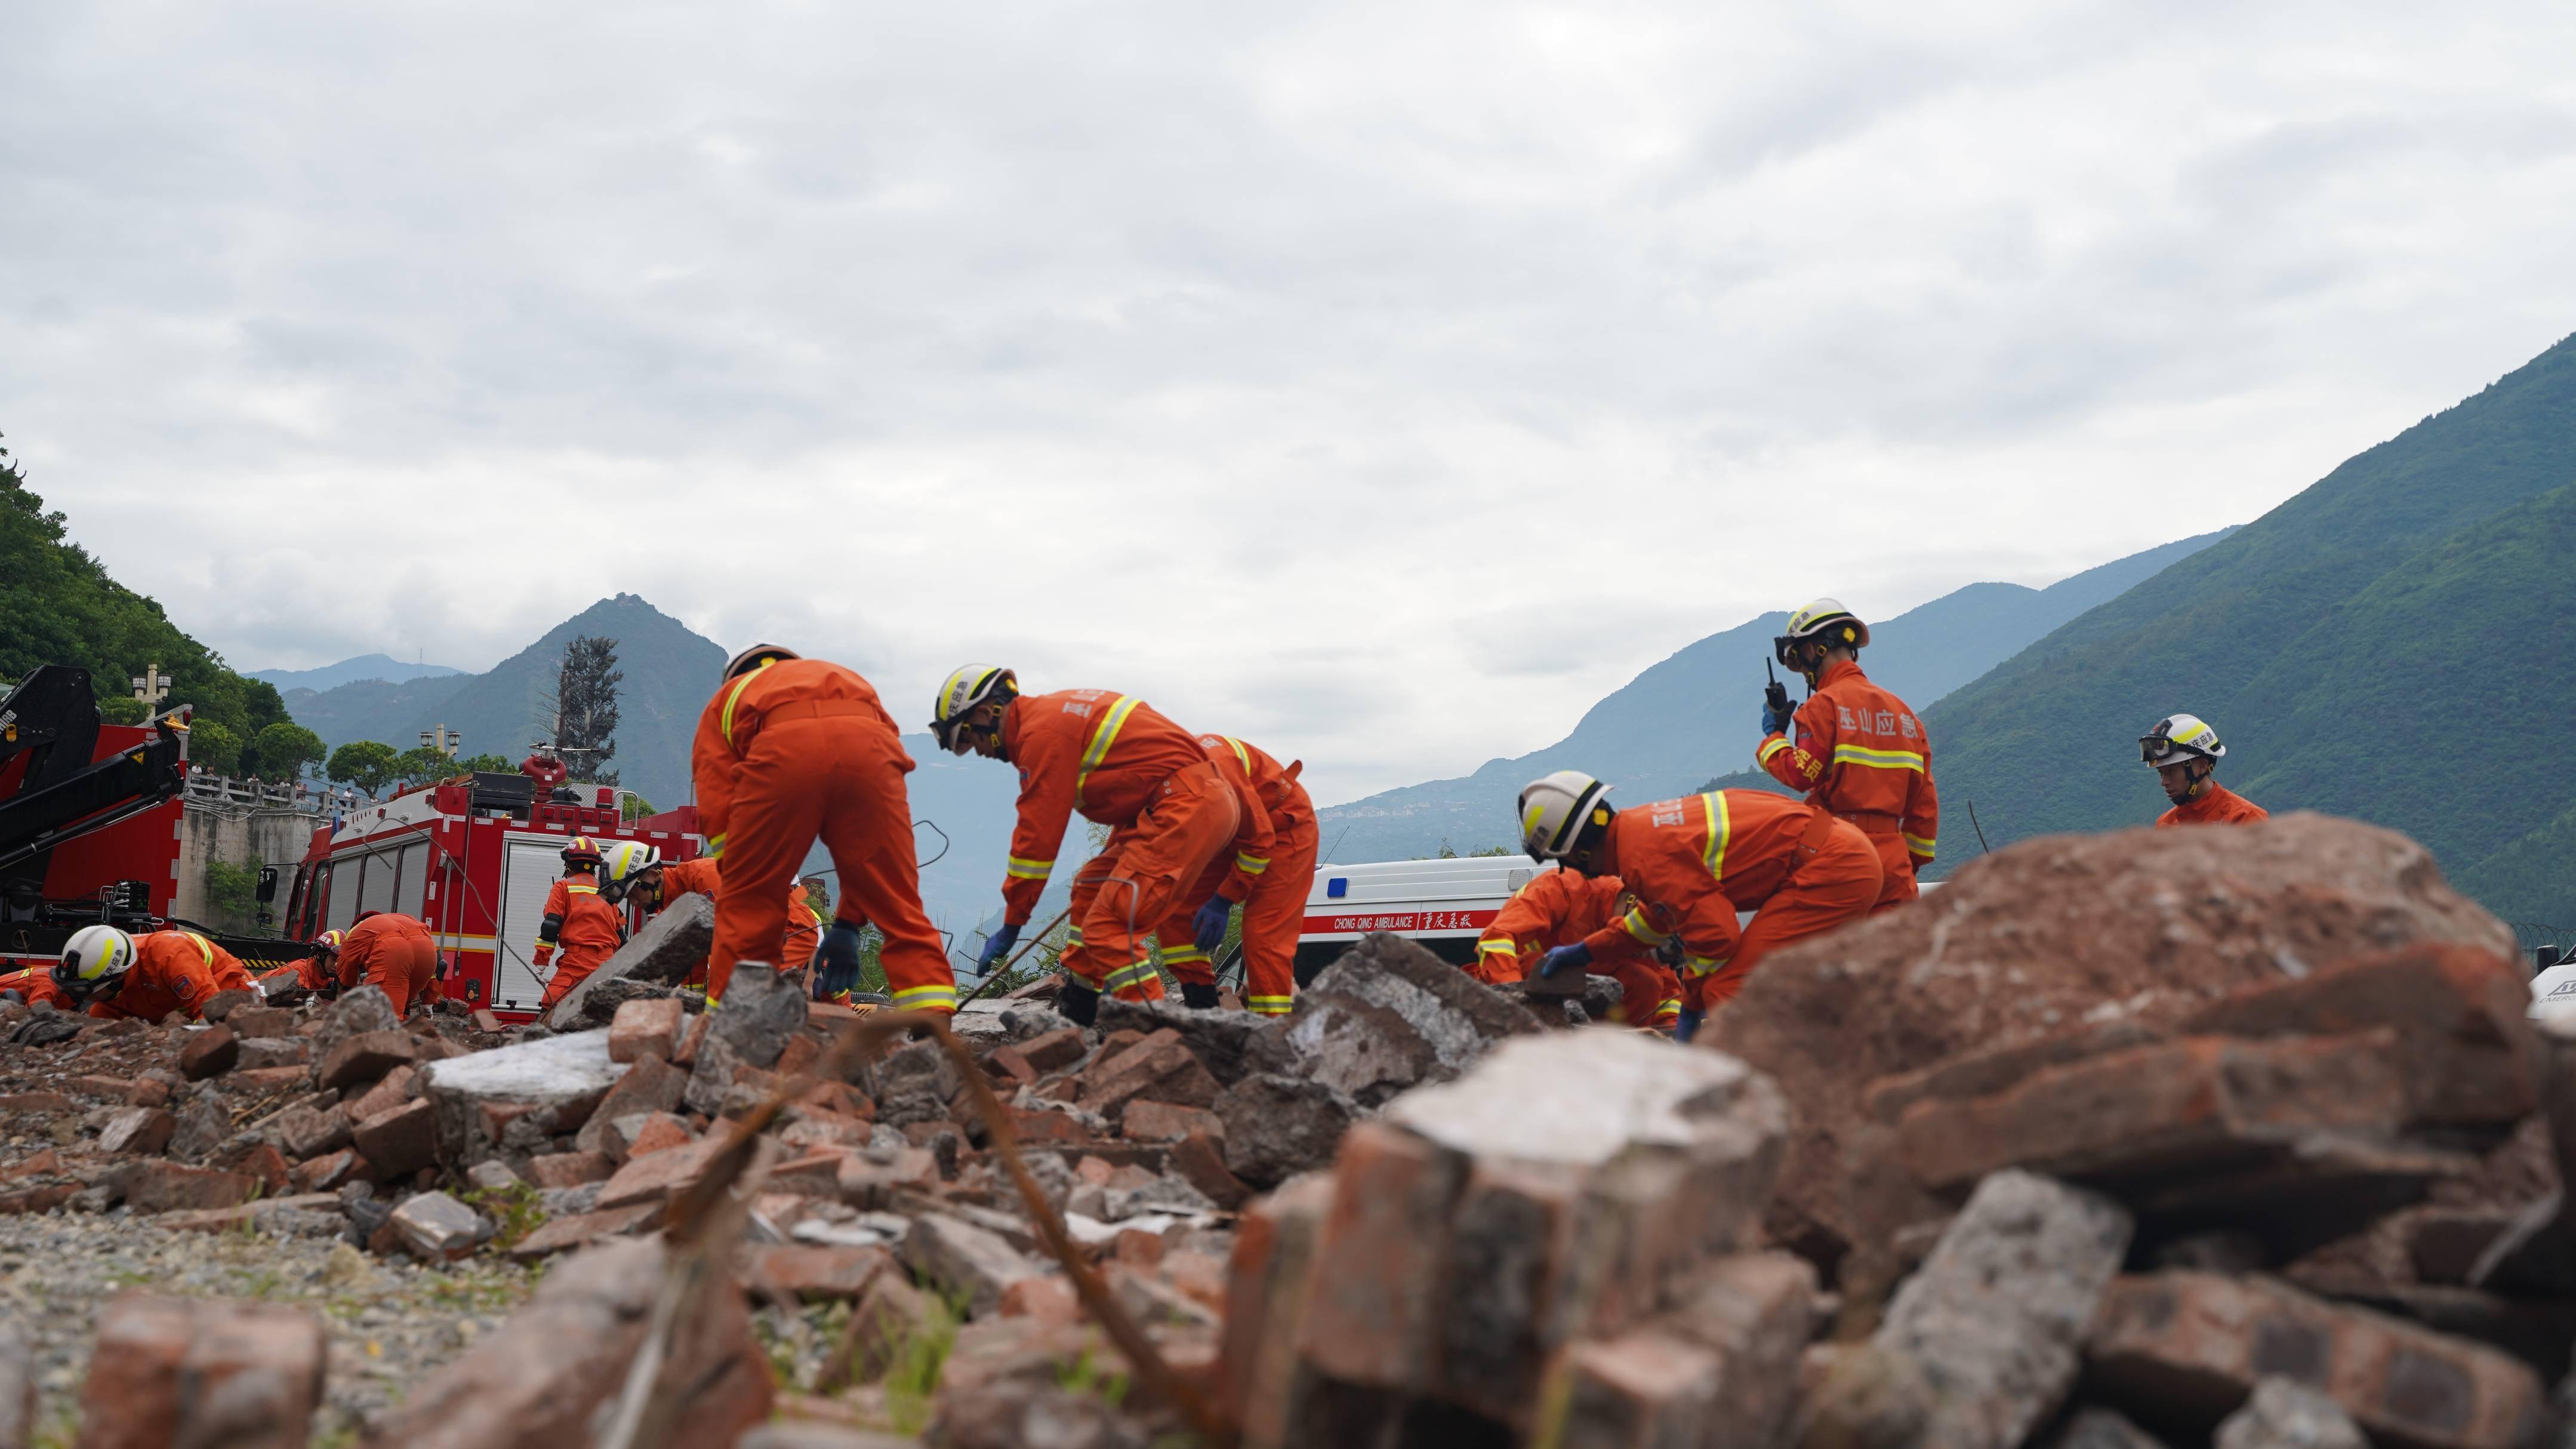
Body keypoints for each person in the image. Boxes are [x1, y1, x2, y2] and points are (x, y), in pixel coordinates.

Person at [932, 665, 1238, 1026]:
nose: (976, 752)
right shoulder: (1050, 717)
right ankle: (1081, 1003)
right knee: (1089, 888)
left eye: (968, 738)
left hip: (1184, 806)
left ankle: (1159, 1033)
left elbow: (1037, 840)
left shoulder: (1040, 735)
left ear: (986, 713)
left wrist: (1013, 922)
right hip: (1173, 804)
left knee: (1108, 928)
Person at [1517, 772, 1880, 1041]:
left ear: (1579, 852)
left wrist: (1691, 1003)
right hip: (1837, 854)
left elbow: (1718, 937)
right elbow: (1657, 920)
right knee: (1761, 986)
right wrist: (1584, 951)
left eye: (1562, 861)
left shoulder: (1643, 859)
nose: (1571, 872)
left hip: (1832, 868)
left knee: (1729, 990)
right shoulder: (1638, 835)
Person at [694, 645, 954, 1013]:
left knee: (748, 909)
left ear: (736, 676)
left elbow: (716, 800)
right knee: (900, 905)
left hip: (785, 750)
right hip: (873, 752)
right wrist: (848, 925)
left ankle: (723, 1034)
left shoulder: (729, 698)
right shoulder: (844, 678)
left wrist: (740, 873)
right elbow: (861, 855)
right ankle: (937, 1037)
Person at [1757, 599, 1938, 914]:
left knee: (1814, 954)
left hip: (1837, 853)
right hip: (1894, 864)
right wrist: (1903, 863)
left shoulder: (1823, 706)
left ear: (1814, 651)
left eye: (1802, 662)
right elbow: (1924, 810)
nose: (1806, 675)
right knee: (1897, 959)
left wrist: (1774, 736)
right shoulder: (1904, 714)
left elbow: (1801, 774)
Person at [1153, 734, 1317, 1016]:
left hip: (1281, 826)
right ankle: (1201, 1002)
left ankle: (1273, 1029)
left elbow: (1259, 842)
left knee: (1264, 938)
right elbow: (1122, 851)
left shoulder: (1214, 775)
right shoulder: (1146, 786)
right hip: (1224, 829)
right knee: (1176, 910)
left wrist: (1223, 900)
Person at [1473, 869, 1683, 1031]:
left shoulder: (1652, 933)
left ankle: (1611, 1055)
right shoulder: (1566, 886)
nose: (1642, 954)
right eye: (1643, 947)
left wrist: (1672, 1036)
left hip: (1594, 1031)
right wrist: (1512, 1004)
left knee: (1646, 981)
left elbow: (1668, 996)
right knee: (1547, 966)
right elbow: (1497, 938)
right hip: (1523, 987)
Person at [623, 853, 825, 991]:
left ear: (653, 876)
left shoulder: (704, 876)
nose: (633, 902)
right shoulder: (676, 903)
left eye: (634, 892)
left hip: (789, 929)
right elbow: (693, 965)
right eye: (627, 897)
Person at [52, 925, 258, 1022]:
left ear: (117, 978)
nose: (85, 999)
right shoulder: (118, 972)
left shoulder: (169, 957)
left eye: (89, 992)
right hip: (164, 999)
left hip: (226, 990)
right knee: (97, 1020)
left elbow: (209, 1009)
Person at [533, 836, 625, 1012]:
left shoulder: (562, 887)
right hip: (607, 962)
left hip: (577, 962)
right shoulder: (608, 889)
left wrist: (541, 961)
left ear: (569, 864)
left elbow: (550, 927)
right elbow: (622, 935)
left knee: (551, 1005)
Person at [2142, 714, 2269, 827]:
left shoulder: (2246, 819)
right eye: (2161, 773)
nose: (2164, 782)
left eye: (2171, 771)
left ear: (2202, 766)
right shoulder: (2165, 824)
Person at [335, 911, 441, 1017]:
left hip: (393, 951)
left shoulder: (355, 932)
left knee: (384, 1017)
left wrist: (343, 990)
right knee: (403, 1006)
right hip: (427, 948)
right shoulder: (403, 918)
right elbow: (441, 967)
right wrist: (428, 1002)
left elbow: (345, 969)